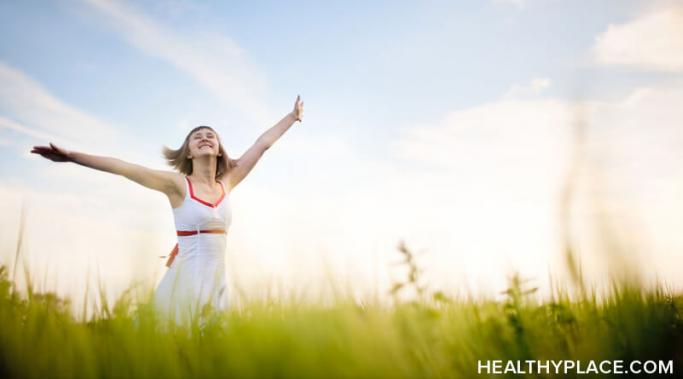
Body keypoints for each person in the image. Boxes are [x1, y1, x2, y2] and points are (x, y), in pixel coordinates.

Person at [31, 95, 305, 327]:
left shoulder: (227, 183)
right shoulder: (177, 186)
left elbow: (262, 144)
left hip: (219, 283)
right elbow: (125, 168)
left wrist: (292, 117)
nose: (205, 138)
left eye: (211, 136)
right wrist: (71, 157)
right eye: (197, 137)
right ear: (188, 153)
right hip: (185, 284)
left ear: (220, 148)